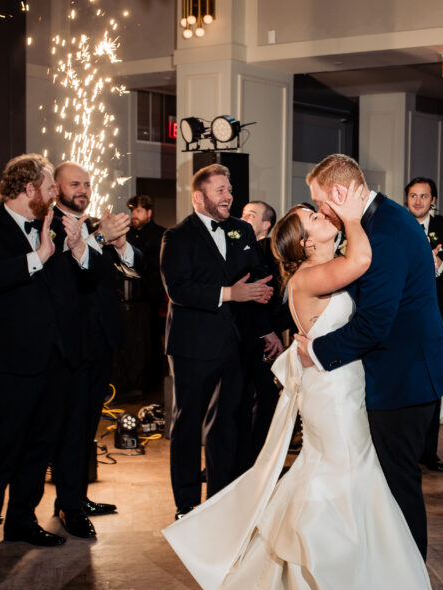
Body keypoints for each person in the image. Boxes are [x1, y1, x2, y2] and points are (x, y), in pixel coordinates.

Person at [163, 185, 439, 590]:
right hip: (330, 394)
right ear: (307, 243)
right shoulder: (309, 278)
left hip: (342, 385)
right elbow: (362, 264)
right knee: (336, 475)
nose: (320, 214)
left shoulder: (321, 269)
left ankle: (363, 582)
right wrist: (353, 216)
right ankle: (333, 589)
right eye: (313, 216)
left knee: (351, 477)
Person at [294, 153, 443, 560]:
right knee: (390, 482)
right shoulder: (382, 219)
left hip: (403, 378)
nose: (319, 210)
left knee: (398, 485)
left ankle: (408, 580)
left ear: (340, 192)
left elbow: (374, 324)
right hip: (408, 369)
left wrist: (317, 350)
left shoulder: (381, 234)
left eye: (319, 202)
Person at [0, 153, 89, 567]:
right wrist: (39, 256)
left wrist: (77, 248)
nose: (56, 195)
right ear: (29, 189)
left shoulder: (52, 228)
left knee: (38, 449)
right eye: (51, 188)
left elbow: (80, 287)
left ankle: (20, 521)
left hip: (52, 362)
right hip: (8, 363)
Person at [161, 164, 278, 520]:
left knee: (227, 421)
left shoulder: (242, 230)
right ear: (200, 197)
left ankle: (222, 495)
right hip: (192, 346)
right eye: (221, 191)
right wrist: (231, 292)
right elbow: (178, 290)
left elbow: (254, 275)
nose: (229, 196)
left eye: (229, 190)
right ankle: (185, 503)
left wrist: (264, 319)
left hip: (235, 343)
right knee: (187, 423)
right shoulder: (177, 236)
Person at [49, 162, 132, 538]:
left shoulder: (99, 224)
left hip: (102, 340)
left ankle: (76, 498)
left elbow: (134, 266)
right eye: (75, 184)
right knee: (70, 426)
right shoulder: (48, 225)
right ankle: (68, 505)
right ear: (56, 187)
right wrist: (99, 239)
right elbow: (67, 272)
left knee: (86, 427)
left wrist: (121, 244)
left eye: (86, 184)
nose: (82, 190)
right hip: (69, 344)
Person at [405, 177, 443, 473]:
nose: (418, 201)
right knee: (405, 383)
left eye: (423, 196)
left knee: (432, 383)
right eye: (413, 195)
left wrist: (436, 264)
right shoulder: (396, 228)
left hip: (436, 318)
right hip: (402, 318)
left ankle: (429, 451)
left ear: (433, 201)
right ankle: (405, 450)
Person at [236, 199, 284, 469]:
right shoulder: (244, 247)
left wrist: (269, 331)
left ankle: (254, 459)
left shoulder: (268, 251)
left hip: (262, 335)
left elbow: (270, 295)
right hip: (247, 334)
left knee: (263, 396)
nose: (243, 219)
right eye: (243, 213)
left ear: (266, 225)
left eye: (251, 215)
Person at [127, 194, 167, 393]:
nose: (134, 215)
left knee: (151, 339)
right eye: (133, 211)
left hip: (152, 296)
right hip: (130, 298)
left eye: (139, 210)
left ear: (149, 213)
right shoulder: (127, 234)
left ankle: (153, 382)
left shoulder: (160, 234)